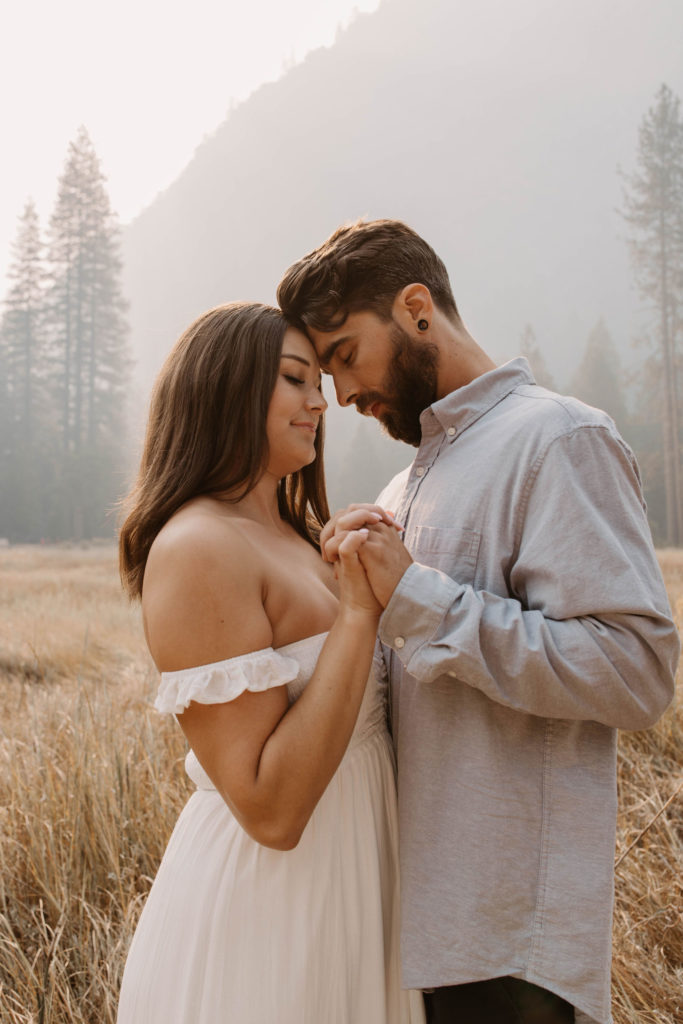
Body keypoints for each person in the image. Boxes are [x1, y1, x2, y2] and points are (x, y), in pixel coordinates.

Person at [277, 219, 680, 1024]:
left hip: (509, 946)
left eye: (346, 354)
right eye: (323, 372)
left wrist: (418, 600)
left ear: (416, 308)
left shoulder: (559, 439)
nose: (344, 396)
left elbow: (636, 672)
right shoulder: (398, 490)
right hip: (407, 931)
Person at [116, 302, 425, 1024]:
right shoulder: (198, 547)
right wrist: (356, 613)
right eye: (294, 379)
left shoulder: (292, 536)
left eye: (317, 380)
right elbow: (270, 809)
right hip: (275, 913)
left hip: (357, 885)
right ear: (225, 389)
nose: (320, 401)